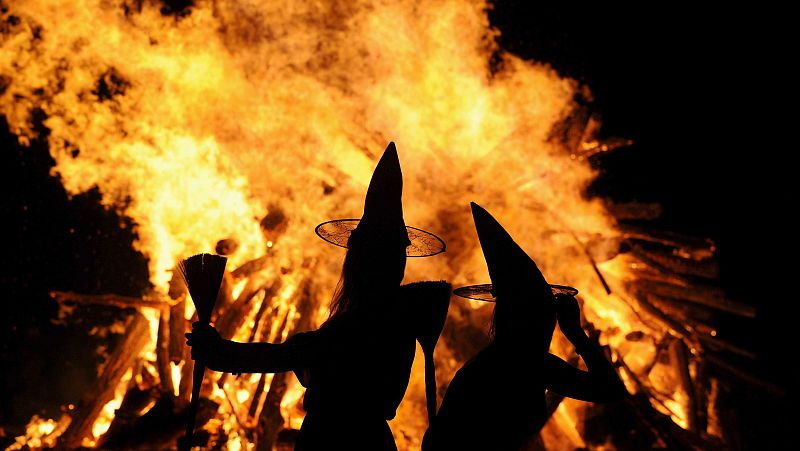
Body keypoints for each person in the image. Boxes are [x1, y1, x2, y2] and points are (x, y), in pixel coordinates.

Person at [187, 143, 449, 450]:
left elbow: (295, 354)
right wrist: (222, 352)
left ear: (363, 261)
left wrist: (222, 351)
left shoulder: (368, 321)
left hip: (338, 439)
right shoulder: (395, 318)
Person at [422, 202, 626, 451]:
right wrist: (576, 334)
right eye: (543, 309)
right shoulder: (525, 363)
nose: (549, 319)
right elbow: (610, 389)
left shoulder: (503, 362)